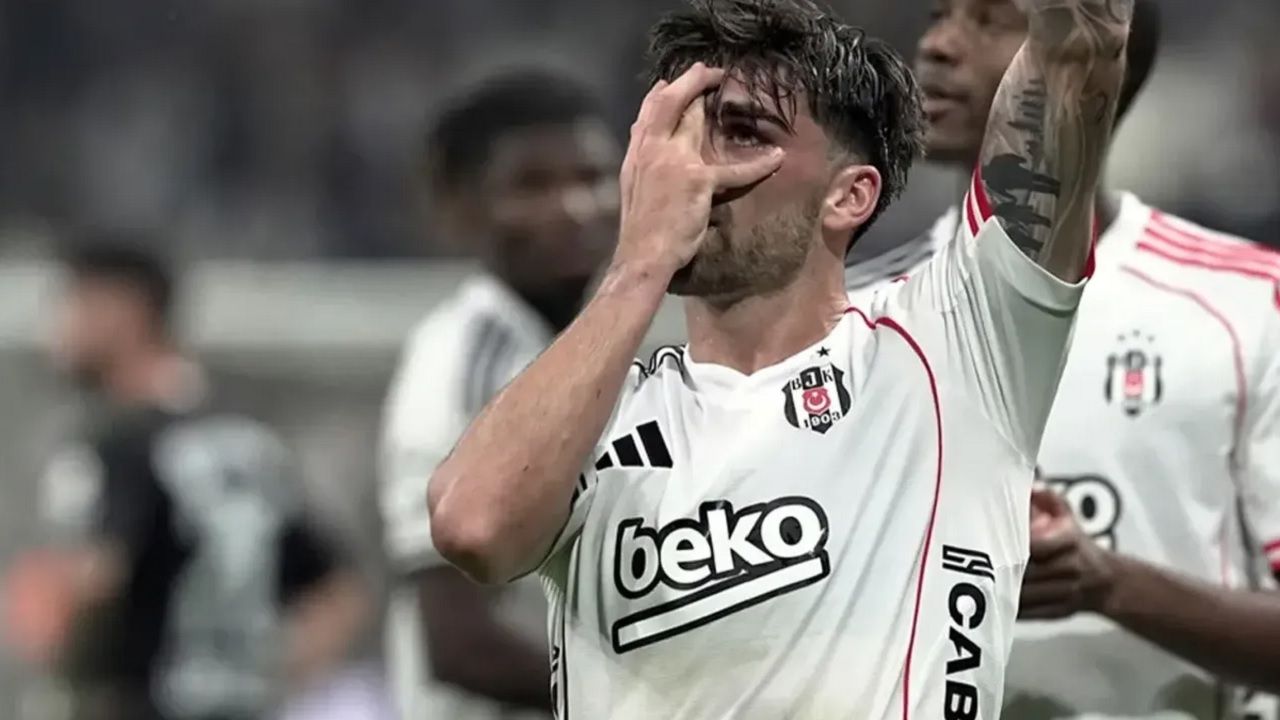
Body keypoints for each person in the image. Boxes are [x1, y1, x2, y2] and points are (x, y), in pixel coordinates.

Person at [427, 0, 1129, 716]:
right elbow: (472, 529)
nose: (692, 170)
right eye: (679, 134)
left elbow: (1080, 47)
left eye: (741, 132)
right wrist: (637, 265)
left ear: (848, 196)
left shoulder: (957, 349)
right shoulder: (598, 418)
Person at [847, 0, 1280, 716]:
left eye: (990, 21)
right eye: (937, 16)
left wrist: (1107, 584)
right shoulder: (858, 313)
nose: (939, 46)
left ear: (1100, 55)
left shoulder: (1249, 302)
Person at [3, 240, 370, 720]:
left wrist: (56, 633)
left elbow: (98, 581)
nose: (54, 330)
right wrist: (270, 676)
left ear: (121, 312)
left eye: (68, 305)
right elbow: (338, 594)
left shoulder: (119, 442)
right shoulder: (249, 440)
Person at [378, 68, 620, 719]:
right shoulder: (468, 364)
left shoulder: (571, 353)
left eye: (593, 178)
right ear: (461, 209)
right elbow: (457, 642)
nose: (574, 207)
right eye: (532, 186)